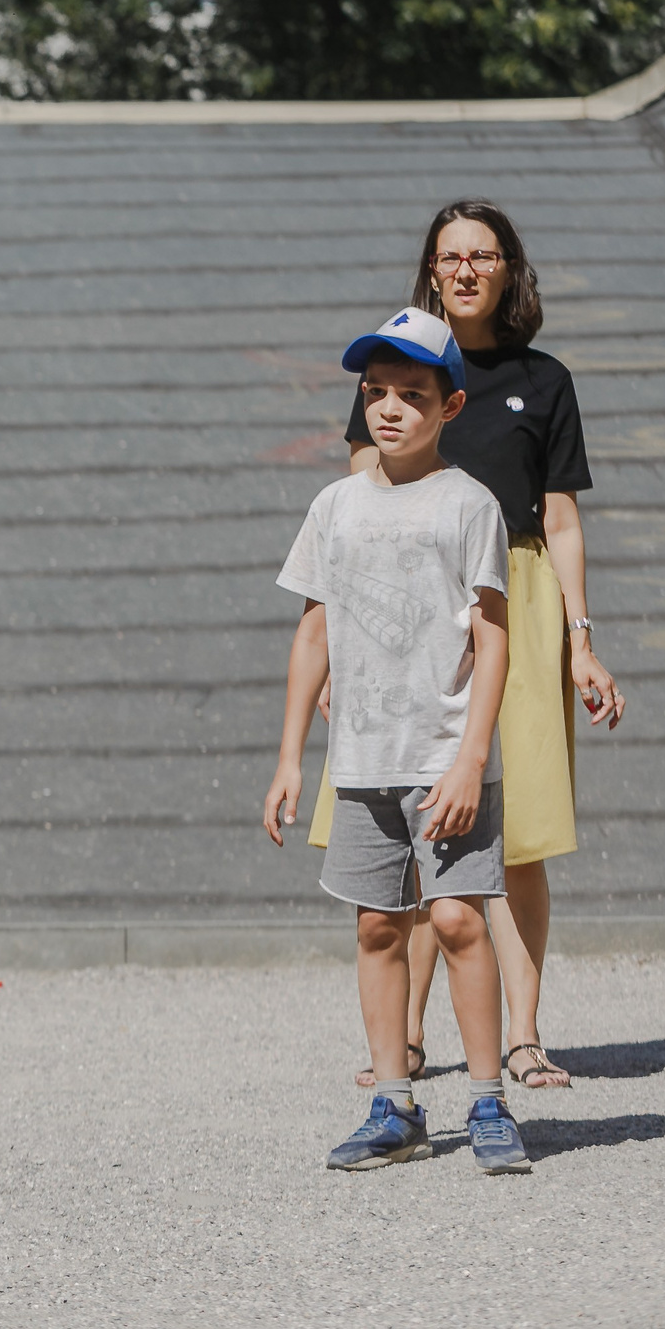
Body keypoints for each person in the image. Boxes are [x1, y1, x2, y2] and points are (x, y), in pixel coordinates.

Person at [314, 201, 623, 1093]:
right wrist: (342, 645)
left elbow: (560, 519)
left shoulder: (546, 378)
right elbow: (353, 516)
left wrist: (580, 642)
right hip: (404, 608)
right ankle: (405, 1040)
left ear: (507, 270)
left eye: (482, 256)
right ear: (431, 269)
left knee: (514, 835)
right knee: (410, 828)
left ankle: (523, 1039)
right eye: (448, 256)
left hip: (515, 607)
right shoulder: (391, 372)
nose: (464, 270)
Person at [266, 309, 528, 1174]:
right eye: (376, 393)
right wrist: (290, 757)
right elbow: (314, 633)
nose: (389, 409)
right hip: (365, 760)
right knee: (379, 924)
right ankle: (395, 1103)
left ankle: (489, 1101)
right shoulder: (334, 505)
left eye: (412, 395)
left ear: (450, 406)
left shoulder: (470, 505)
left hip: (444, 758)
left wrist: (472, 757)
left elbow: (493, 637)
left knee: (456, 919)